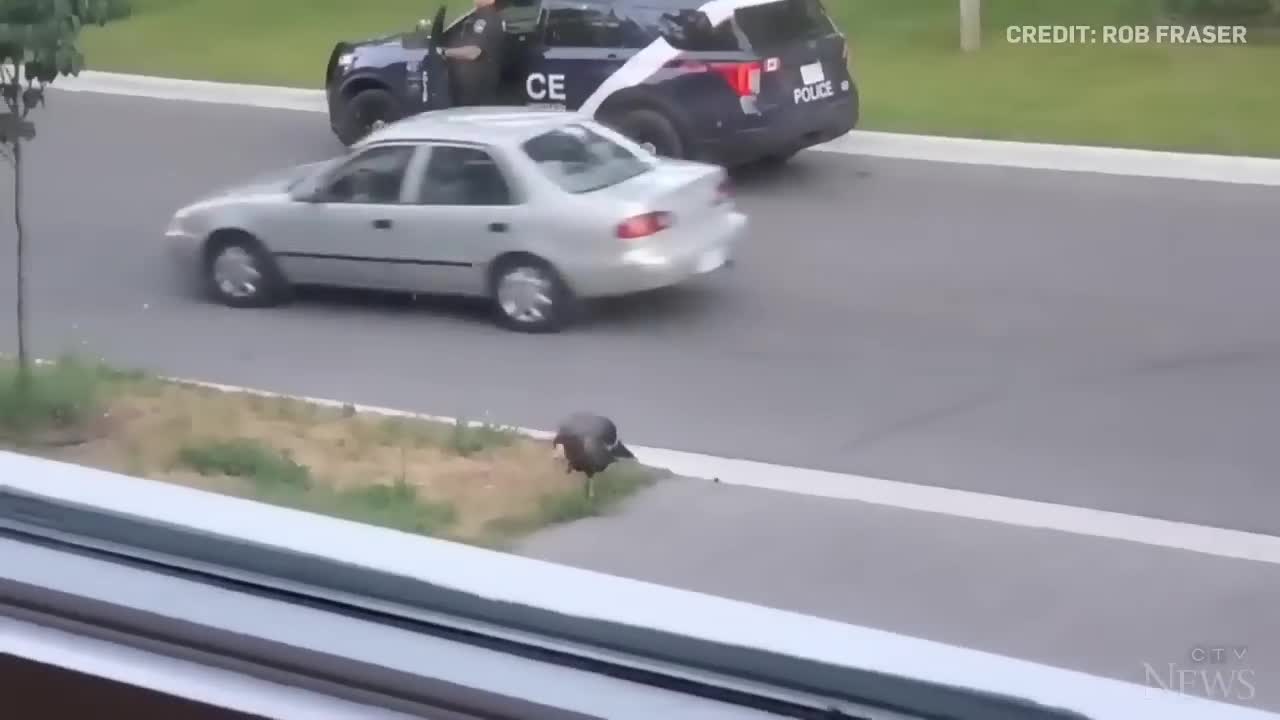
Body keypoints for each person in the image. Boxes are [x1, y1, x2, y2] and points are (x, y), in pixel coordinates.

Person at [444, 0, 505, 106]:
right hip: (472, 92)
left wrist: (445, 52)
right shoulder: (478, 15)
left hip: (479, 94)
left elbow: (474, 52)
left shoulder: (486, 18)